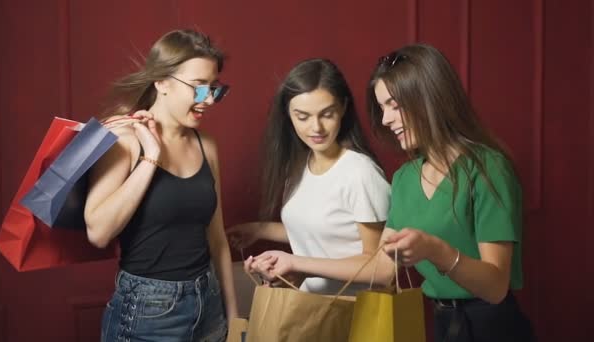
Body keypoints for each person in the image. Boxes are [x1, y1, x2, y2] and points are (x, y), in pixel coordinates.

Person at [370, 44, 535, 341]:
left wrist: (435, 250)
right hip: (443, 324)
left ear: (429, 99)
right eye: (382, 108)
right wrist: (297, 265)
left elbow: (496, 287)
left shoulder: (488, 168)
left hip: (492, 328)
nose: (385, 120)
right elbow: (381, 268)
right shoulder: (404, 178)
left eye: (394, 105)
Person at [84, 29, 237, 342]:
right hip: (148, 312)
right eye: (198, 87)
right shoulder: (124, 141)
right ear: (162, 81)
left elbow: (217, 237)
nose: (208, 99)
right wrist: (151, 157)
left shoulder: (206, 145)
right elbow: (98, 232)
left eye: (214, 88)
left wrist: (234, 315)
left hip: (208, 303)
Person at [228, 58, 393, 295]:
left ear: (344, 107)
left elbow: (378, 267)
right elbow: (325, 231)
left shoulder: (360, 173)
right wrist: (258, 230)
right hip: (313, 309)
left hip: (357, 314)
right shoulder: (300, 166)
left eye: (327, 114)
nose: (316, 128)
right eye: (302, 117)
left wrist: (298, 264)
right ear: (288, 115)